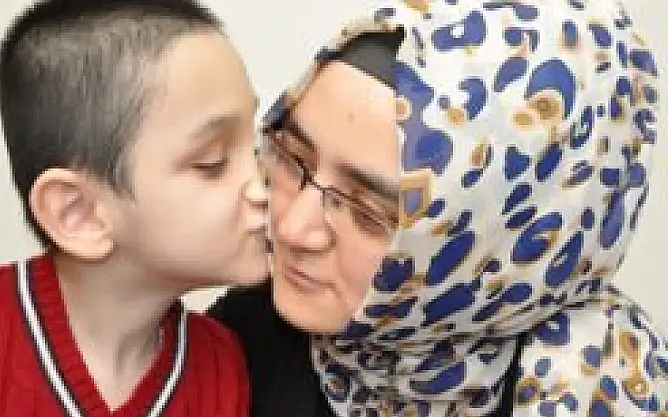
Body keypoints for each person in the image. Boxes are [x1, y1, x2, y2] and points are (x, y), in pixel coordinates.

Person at [211, 1, 667, 416]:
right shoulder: (240, 342)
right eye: (293, 159)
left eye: (367, 213)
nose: (292, 228)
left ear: (499, 248)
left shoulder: (609, 387)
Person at [0, 0, 268, 416]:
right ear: (79, 213)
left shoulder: (222, 365)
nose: (262, 185)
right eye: (212, 162)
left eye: (257, 147)